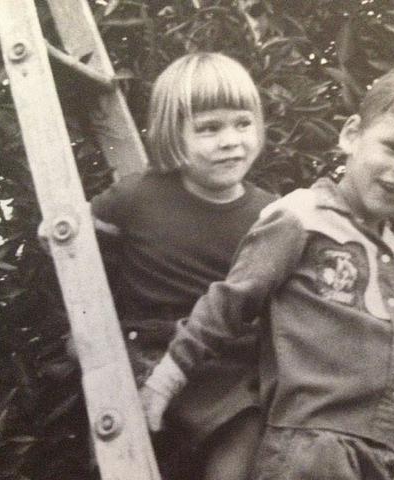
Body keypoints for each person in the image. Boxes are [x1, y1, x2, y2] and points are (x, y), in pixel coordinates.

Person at [141, 67, 394, 479]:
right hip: (316, 445)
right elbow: (230, 301)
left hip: (388, 450)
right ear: (351, 135)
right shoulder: (300, 216)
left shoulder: (388, 249)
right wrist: (167, 379)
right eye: (392, 146)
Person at [90, 52, 276, 479]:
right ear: (174, 135)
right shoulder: (138, 195)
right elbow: (75, 235)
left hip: (227, 362)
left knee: (249, 422)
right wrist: (59, 230)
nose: (231, 140)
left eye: (243, 123)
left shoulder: (271, 214)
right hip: (148, 349)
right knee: (122, 440)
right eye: (209, 128)